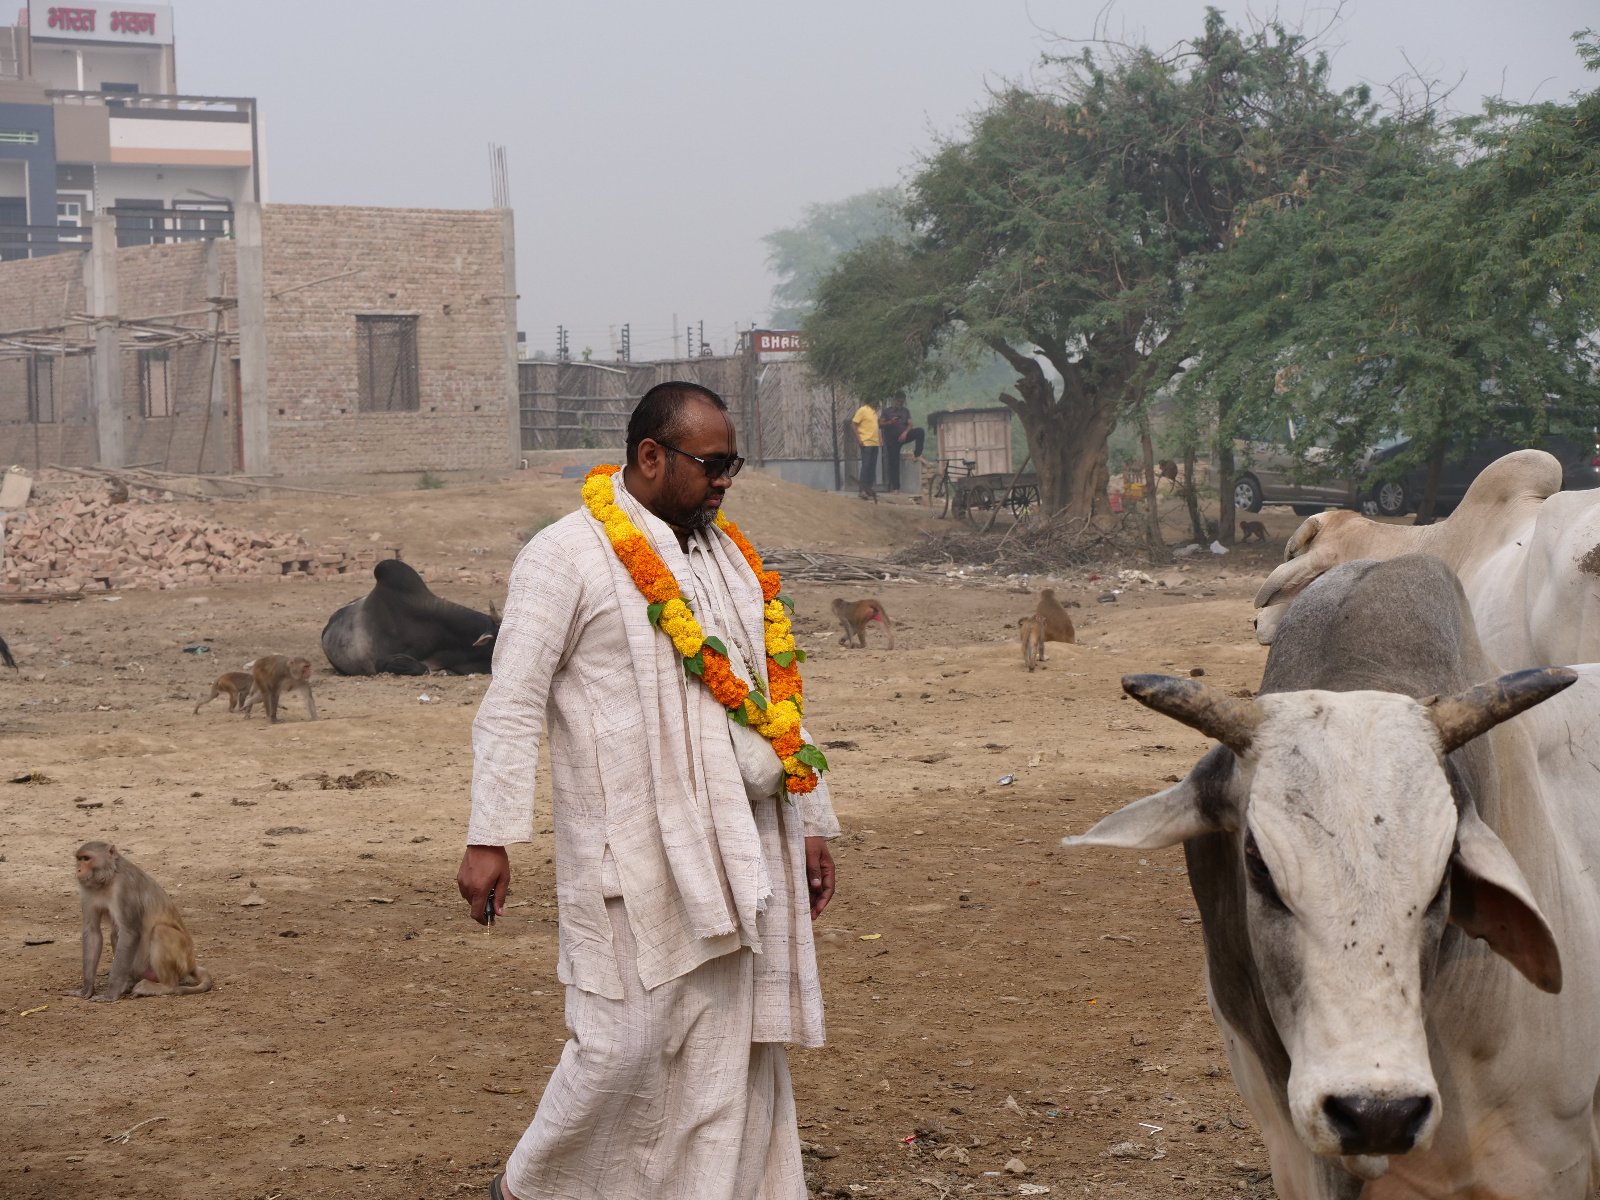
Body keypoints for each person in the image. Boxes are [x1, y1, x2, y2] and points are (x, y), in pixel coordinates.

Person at [458, 380, 841, 1200]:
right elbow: (513, 700)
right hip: (625, 851)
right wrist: (489, 836)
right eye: (712, 464)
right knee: (620, 1044)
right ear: (650, 456)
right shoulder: (564, 555)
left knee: (725, 1044)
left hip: (738, 847)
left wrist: (811, 820)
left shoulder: (729, 558)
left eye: (733, 463)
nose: (726, 480)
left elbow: (779, 698)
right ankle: (529, 1191)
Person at [878, 394, 911, 492]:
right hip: (892, 440)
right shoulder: (887, 411)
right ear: (894, 400)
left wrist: (905, 432)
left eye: (901, 401)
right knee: (894, 463)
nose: (899, 403)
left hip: (903, 436)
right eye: (898, 401)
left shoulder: (905, 411)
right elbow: (880, 424)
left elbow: (910, 424)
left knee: (919, 432)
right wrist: (890, 422)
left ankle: (917, 452)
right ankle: (895, 487)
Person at [849, 398, 880, 499]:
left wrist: (880, 439)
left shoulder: (874, 412)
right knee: (866, 466)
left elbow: (875, 427)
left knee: (872, 467)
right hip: (866, 442)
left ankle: (869, 490)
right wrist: (858, 438)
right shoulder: (862, 410)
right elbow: (853, 424)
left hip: (875, 443)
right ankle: (862, 490)